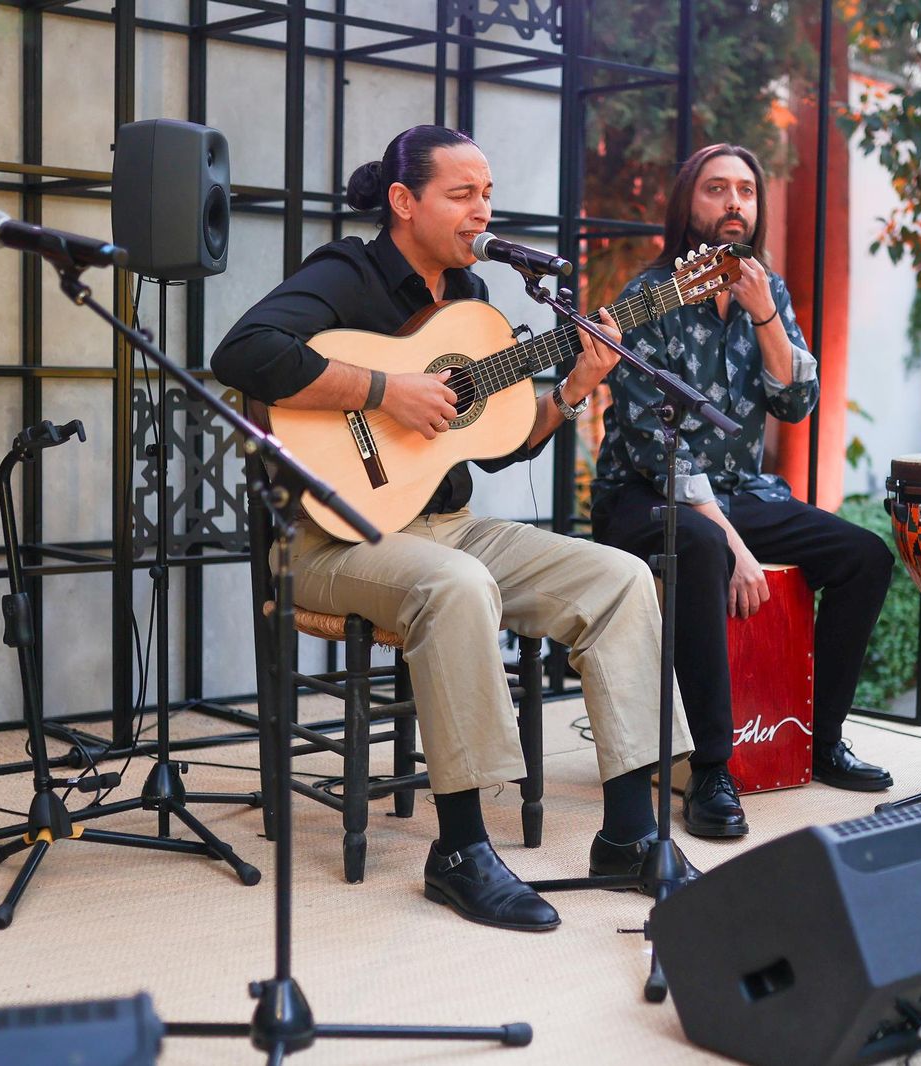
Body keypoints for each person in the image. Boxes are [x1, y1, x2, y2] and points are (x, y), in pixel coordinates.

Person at [211, 125, 693, 932]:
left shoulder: (472, 305)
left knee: (619, 577)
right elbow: (244, 352)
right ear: (404, 202)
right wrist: (380, 390)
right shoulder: (346, 272)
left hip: (450, 524)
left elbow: (497, 445)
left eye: (489, 196)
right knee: (458, 586)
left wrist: (574, 387)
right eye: (463, 195)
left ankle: (630, 834)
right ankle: (462, 850)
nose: (483, 213)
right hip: (330, 540)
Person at [590, 143, 895, 840]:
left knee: (864, 556)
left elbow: (795, 403)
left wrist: (763, 316)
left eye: (746, 192)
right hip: (643, 494)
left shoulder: (770, 291)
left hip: (740, 487)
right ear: (687, 205)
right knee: (701, 543)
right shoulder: (646, 300)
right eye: (717, 190)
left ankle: (820, 740)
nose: (734, 204)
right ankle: (713, 769)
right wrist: (735, 546)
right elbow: (653, 448)